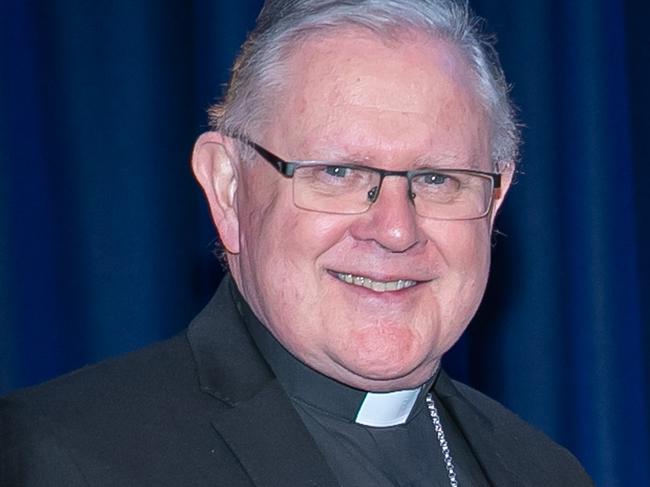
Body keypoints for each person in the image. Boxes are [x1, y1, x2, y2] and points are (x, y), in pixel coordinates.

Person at [1, 0, 594, 485]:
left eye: (437, 179)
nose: (394, 229)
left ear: (494, 200)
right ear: (228, 189)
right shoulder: (63, 457)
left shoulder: (542, 471)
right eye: (337, 172)